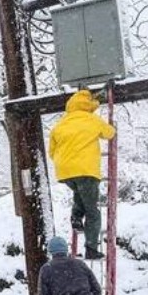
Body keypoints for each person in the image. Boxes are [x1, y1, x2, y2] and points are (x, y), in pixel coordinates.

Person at [48, 89, 116, 260]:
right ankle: (91, 248)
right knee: (93, 211)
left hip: (65, 171)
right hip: (86, 170)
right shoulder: (91, 119)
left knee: (80, 193)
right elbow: (109, 133)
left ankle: (76, 217)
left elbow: (51, 152)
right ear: (88, 106)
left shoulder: (60, 124)